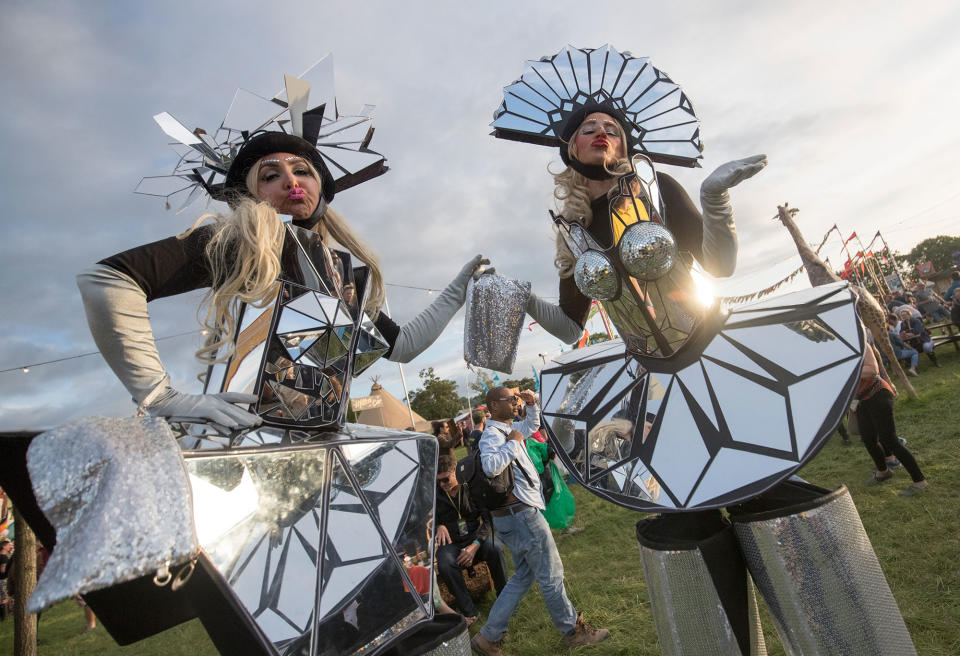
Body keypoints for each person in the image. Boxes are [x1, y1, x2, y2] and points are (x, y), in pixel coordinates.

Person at [76, 131, 491, 428]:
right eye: (270, 175)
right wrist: (159, 396)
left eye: (302, 170)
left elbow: (402, 346)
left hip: (318, 443)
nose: (291, 181)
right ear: (252, 195)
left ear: (321, 188)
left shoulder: (338, 271)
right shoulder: (244, 240)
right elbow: (107, 280)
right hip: (247, 439)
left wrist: (459, 288)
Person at [518, 100, 766, 342]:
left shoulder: (655, 190)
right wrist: (522, 296)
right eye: (589, 129)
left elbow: (721, 266)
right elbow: (570, 330)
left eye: (612, 131)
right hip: (649, 368)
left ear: (624, 147)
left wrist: (714, 198)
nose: (602, 132)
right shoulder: (573, 232)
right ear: (573, 147)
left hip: (710, 341)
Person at [471, 387, 608, 655]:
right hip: (521, 516)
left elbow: (531, 424)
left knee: (524, 575)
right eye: (509, 400)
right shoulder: (491, 435)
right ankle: (572, 631)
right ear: (492, 407)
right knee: (551, 574)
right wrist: (513, 442)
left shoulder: (505, 429)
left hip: (514, 517)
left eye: (515, 398)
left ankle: (488, 637)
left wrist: (532, 405)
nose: (515, 402)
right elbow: (489, 466)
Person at [434, 454, 506, 626]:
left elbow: (488, 520)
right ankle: (468, 612)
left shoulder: (471, 486)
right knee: (444, 562)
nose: (442, 485)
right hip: (451, 542)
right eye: (439, 481)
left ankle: (505, 599)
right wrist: (438, 525)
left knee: (495, 548)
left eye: (445, 480)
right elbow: (425, 515)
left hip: (475, 537)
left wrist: (475, 545)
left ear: (455, 472)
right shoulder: (435, 492)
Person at [856, 335, 929, 496]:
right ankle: (883, 472)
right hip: (861, 399)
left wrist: (847, 369)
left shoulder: (861, 344)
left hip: (878, 394)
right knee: (868, 438)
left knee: (889, 440)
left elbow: (871, 370)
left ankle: (920, 481)